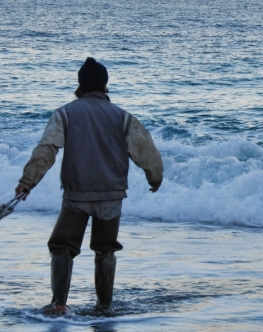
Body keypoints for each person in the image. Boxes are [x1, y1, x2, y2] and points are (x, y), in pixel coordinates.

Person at [15, 57, 163, 315]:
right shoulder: (122, 117)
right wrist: (155, 177)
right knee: (105, 251)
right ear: (105, 85)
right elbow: (147, 150)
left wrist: (28, 182)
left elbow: (46, 150)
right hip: (112, 194)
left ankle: (59, 303)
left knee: (62, 246)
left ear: (80, 85)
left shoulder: (65, 114)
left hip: (77, 195)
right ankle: (104, 307)